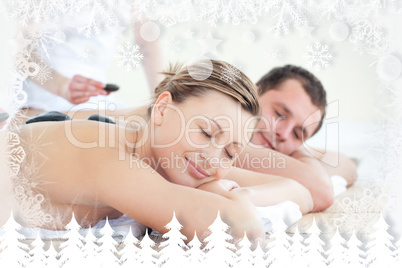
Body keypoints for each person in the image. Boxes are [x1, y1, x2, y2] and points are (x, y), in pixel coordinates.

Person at [13, 60, 313, 242]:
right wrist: (227, 196)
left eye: (231, 153)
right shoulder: (110, 157)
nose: (213, 158)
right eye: (206, 132)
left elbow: (300, 191)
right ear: (162, 109)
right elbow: (237, 228)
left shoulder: (173, 163)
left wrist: (238, 193)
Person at [234, 65, 358, 212]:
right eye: (280, 114)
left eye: (297, 134)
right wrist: (302, 163)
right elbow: (322, 191)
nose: (284, 134)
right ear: (251, 94)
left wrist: (299, 153)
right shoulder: (219, 143)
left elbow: (346, 164)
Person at [18, 3, 163, 117]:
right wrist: (62, 86)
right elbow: (21, 51)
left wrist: (161, 101)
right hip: (44, 93)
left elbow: (147, 43)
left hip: (95, 94)